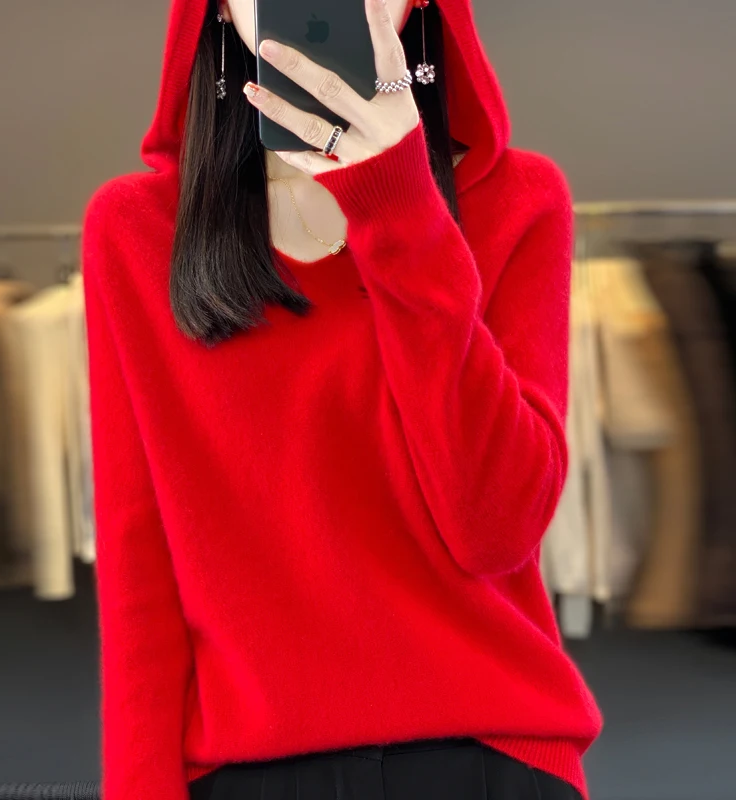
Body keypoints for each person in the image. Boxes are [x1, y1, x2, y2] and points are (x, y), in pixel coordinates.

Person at [82, 0, 603, 798]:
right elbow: (137, 562)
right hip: (247, 770)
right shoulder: (134, 229)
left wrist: (400, 208)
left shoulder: (516, 201)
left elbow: (496, 528)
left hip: (489, 755)